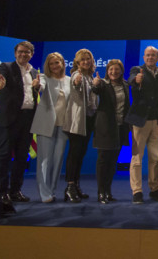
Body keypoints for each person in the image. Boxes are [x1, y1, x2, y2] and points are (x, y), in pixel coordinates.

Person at [0, 41, 39, 206]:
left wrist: (38, 88)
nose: (23, 55)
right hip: (8, 120)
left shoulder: (34, 72)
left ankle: (15, 191)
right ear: (15, 53)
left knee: (22, 157)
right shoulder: (7, 67)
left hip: (27, 119)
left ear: (32, 54)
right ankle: (2, 193)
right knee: (3, 156)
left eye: (27, 52)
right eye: (20, 52)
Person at [126, 46, 158, 204]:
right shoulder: (137, 70)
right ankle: (137, 191)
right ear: (144, 57)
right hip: (139, 121)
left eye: (153, 55)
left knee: (155, 158)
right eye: (148, 55)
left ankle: (155, 189)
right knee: (137, 158)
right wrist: (136, 80)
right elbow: (131, 80)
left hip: (156, 121)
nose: (150, 58)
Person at [30, 52, 71, 203]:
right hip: (46, 124)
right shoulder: (43, 78)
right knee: (44, 160)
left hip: (63, 125)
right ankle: (44, 193)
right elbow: (40, 86)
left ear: (62, 64)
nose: (54, 66)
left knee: (57, 159)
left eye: (57, 63)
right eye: (51, 63)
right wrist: (36, 86)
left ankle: (52, 190)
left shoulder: (69, 80)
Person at [91, 59, 130, 204]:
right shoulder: (103, 84)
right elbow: (96, 90)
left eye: (117, 69)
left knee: (113, 162)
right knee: (103, 160)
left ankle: (108, 191)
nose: (114, 72)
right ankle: (101, 192)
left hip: (120, 128)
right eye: (111, 69)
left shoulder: (125, 85)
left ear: (121, 71)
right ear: (107, 71)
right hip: (105, 127)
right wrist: (95, 84)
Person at [62, 48, 98, 202]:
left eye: (87, 59)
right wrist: (77, 82)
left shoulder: (90, 77)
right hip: (77, 121)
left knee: (81, 154)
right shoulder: (77, 75)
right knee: (74, 153)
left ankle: (76, 185)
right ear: (77, 62)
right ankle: (69, 187)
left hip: (88, 120)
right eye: (82, 60)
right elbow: (76, 84)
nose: (85, 62)